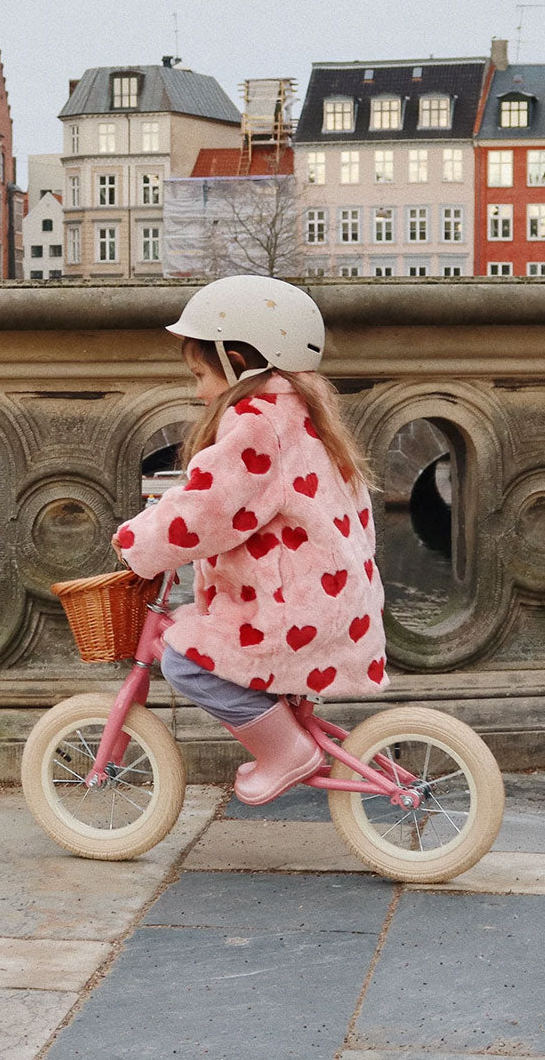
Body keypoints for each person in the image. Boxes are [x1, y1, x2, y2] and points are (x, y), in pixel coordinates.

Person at [112, 275, 387, 806]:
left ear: (238, 360)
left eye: (200, 374)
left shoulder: (256, 423)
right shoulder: (304, 414)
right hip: (325, 604)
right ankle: (287, 739)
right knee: (203, 632)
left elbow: (209, 509)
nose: (196, 391)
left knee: (184, 661)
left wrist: (136, 540)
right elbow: (222, 497)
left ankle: (286, 753)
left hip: (288, 615)